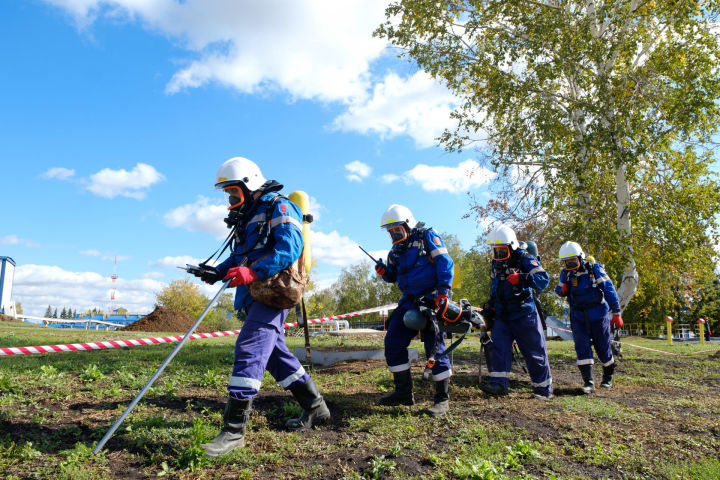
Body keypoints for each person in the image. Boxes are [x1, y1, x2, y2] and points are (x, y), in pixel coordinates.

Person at [193, 157, 330, 457]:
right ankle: (316, 407)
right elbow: (240, 256)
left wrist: (254, 271)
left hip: (276, 290)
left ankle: (233, 432)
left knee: (250, 347)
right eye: (227, 194)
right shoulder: (249, 216)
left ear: (250, 186)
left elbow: (289, 248)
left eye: (233, 193)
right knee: (275, 356)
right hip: (256, 292)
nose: (230, 200)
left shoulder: (279, 206)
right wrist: (215, 272)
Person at [374, 204, 455, 417]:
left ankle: (442, 399)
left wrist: (443, 292)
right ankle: (403, 393)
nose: (394, 236)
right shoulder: (396, 252)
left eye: (397, 231)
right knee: (392, 341)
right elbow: (393, 276)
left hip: (431, 298)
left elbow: (444, 262)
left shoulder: (428, 237)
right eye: (390, 233)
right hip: (409, 302)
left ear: (408, 226)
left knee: (435, 346)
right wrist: (384, 272)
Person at [482, 225, 553, 399]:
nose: (498, 255)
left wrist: (522, 278)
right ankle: (498, 384)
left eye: (501, 250)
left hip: (523, 313)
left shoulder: (524, 258)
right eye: (495, 251)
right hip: (502, 314)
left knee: (534, 351)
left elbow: (543, 280)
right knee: (498, 348)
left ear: (511, 246)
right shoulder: (496, 263)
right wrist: (490, 306)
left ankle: (543, 389)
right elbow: (495, 286)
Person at [554, 241, 622, 393]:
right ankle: (588, 383)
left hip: (598, 314)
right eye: (566, 263)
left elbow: (609, 289)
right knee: (581, 346)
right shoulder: (565, 274)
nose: (569, 265)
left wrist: (616, 312)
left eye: (572, 262)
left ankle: (608, 377)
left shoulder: (594, 269)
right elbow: (558, 290)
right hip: (578, 316)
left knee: (603, 346)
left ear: (580, 258)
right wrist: (562, 290)